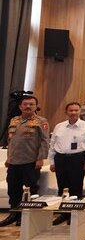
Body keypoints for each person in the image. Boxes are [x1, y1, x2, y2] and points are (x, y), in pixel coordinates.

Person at [0, 96, 49, 227]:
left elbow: (45, 141)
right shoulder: (14, 120)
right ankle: (14, 213)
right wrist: (9, 158)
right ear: (20, 107)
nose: (28, 106)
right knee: (13, 190)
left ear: (35, 106)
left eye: (31, 104)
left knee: (31, 190)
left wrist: (40, 158)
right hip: (14, 162)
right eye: (25, 104)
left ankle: (27, 215)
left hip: (30, 162)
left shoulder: (41, 121)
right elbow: (11, 142)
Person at [48, 102, 85, 225]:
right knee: (62, 187)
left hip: (78, 159)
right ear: (66, 112)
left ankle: (74, 214)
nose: (73, 112)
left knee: (76, 187)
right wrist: (52, 161)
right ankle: (64, 213)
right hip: (61, 159)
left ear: (80, 111)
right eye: (71, 110)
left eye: (76, 110)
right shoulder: (59, 126)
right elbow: (52, 145)